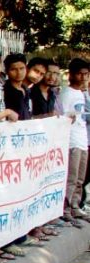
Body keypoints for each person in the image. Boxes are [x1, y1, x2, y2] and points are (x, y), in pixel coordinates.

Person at [60, 58, 90, 227]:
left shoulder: (81, 93)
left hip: (82, 139)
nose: (83, 77)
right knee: (71, 178)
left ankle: (75, 205)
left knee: (80, 178)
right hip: (71, 141)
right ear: (71, 74)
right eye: (80, 73)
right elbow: (63, 117)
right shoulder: (67, 93)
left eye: (86, 74)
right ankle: (65, 209)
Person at [3, 53, 32, 122]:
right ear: (7, 71)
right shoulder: (4, 90)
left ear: (26, 69)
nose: (19, 72)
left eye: (22, 68)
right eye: (13, 69)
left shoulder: (26, 89)